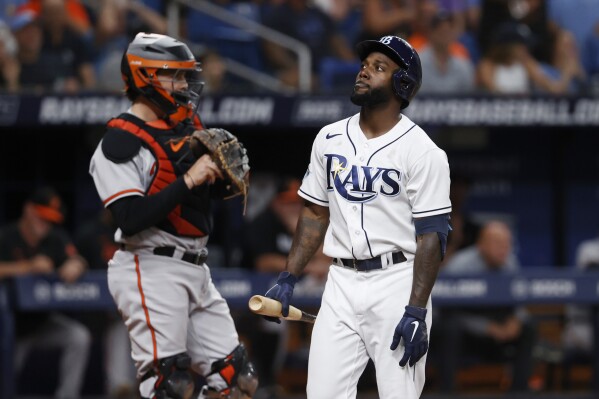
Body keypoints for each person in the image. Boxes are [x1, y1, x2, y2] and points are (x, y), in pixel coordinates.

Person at [261, 35, 452, 399]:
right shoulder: (329, 138)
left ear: (402, 84)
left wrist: (416, 310)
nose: (364, 70)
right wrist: (289, 275)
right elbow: (315, 212)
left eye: (379, 67)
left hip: (396, 280)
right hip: (341, 281)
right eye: (366, 64)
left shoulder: (423, 152)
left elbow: (431, 235)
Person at [88, 32, 257, 399]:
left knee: (237, 380)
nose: (183, 85)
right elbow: (129, 217)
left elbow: (197, 200)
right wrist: (190, 178)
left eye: (184, 76)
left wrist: (222, 182)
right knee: (171, 386)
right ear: (145, 76)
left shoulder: (186, 126)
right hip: (149, 267)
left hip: (196, 266)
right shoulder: (119, 142)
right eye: (174, 76)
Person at [0, 186, 91, 398]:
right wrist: (28, 267)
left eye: (50, 219)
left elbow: (77, 258)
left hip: (41, 323)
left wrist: (76, 265)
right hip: (10, 328)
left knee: (79, 336)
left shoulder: (55, 239)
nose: (46, 224)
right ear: (29, 210)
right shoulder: (7, 236)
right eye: (42, 217)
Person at [437, 220, 537, 392]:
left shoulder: (510, 264)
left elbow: (519, 302)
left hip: (498, 332)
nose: (504, 249)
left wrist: (516, 320)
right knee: (449, 327)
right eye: (498, 243)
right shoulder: (460, 266)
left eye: (507, 244)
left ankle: (520, 391)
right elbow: (445, 311)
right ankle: (448, 392)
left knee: (528, 326)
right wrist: (486, 328)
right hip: (466, 333)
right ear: (481, 244)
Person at [73, 208, 137, 398]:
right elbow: (73, 259)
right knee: (118, 323)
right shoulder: (89, 233)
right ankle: (121, 390)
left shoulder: (138, 231)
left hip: (129, 307)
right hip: (95, 311)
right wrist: (75, 263)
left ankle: (138, 388)